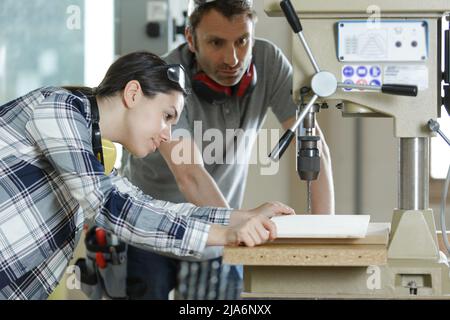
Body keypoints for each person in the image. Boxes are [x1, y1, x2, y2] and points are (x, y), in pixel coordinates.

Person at [0, 51, 295, 300]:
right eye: (167, 116)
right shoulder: (58, 108)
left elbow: (148, 206)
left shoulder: (94, 156)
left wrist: (239, 218)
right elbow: (110, 207)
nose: (167, 134)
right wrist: (225, 235)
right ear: (133, 93)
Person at [121, 0, 335, 300]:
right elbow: (190, 173)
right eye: (216, 43)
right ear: (191, 39)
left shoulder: (268, 61)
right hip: (149, 228)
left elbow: (314, 146)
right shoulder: (166, 78)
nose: (232, 58)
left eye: (242, 41)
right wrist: (240, 225)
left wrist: (324, 240)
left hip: (215, 228)